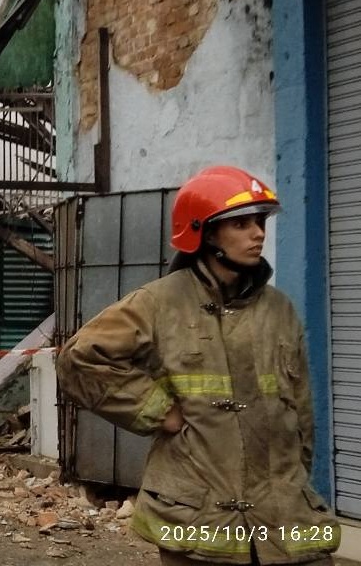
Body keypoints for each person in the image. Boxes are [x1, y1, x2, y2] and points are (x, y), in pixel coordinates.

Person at [56, 166, 340, 565]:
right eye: (241, 224)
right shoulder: (159, 302)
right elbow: (79, 358)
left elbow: (301, 410)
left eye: (259, 222)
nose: (257, 233)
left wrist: (295, 481)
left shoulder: (280, 309)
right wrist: (157, 410)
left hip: (284, 511)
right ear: (205, 234)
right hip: (195, 513)